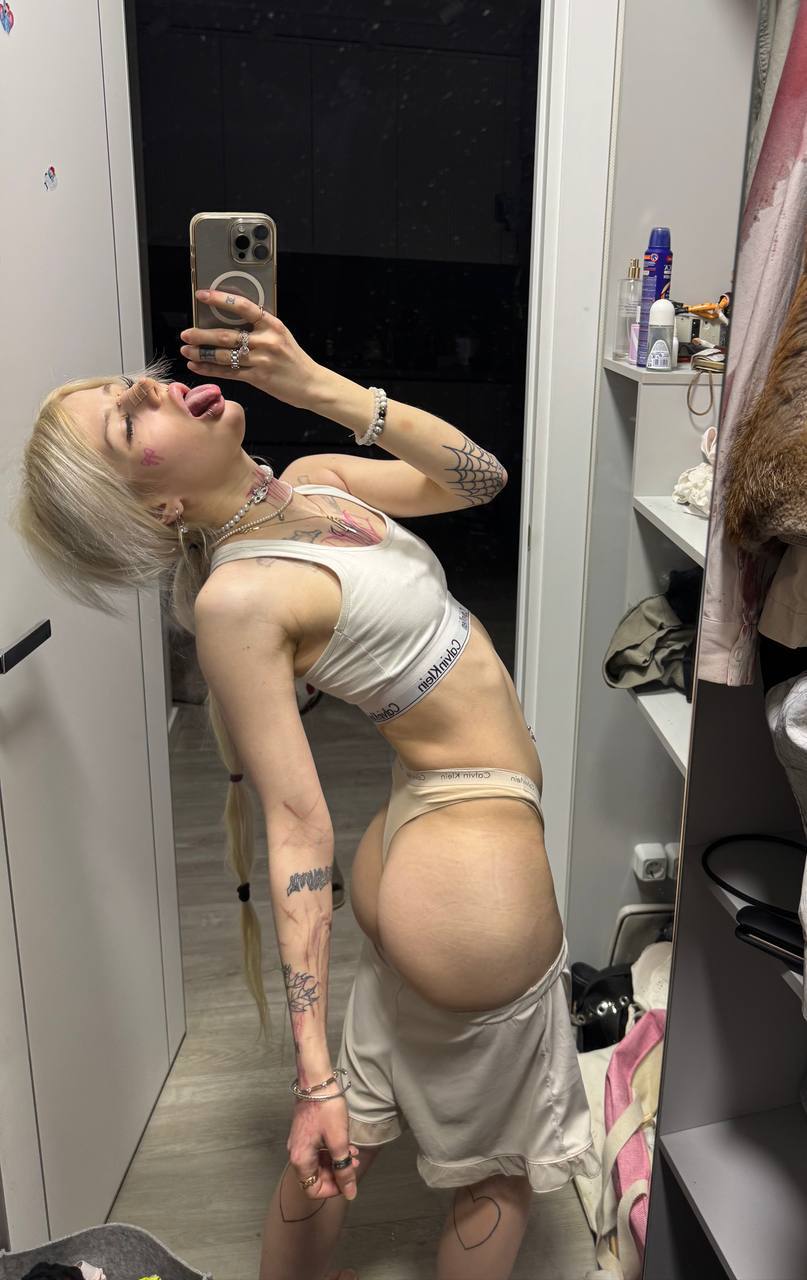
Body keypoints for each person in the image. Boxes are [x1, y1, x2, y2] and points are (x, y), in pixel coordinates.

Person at [16, 288, 598, 1280]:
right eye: (129, 420)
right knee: (494, 1180)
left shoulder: (315, 483)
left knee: (340, 1156)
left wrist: (317, 384)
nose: (158, 391)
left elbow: (479, 477)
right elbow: (294, 828)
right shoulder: (238, 596)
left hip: (431, 840)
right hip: (467, 876)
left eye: (135, 384)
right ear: (154, 507)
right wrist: (310, 1074)